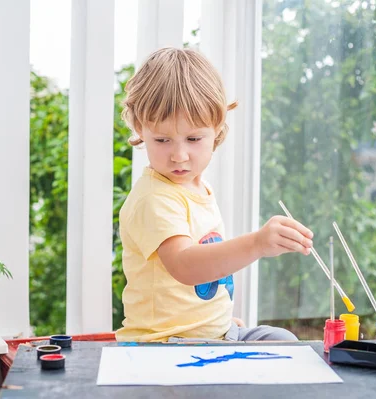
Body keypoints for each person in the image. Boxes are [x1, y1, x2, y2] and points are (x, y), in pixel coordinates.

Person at [115, 47, 314, 342]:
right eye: (162, 140)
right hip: (166, 343)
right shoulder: (154, 199)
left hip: (209, 333)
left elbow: (205, 268)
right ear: (139, 129)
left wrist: (214, 317)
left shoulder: (196, 186)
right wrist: (257, 243)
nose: (179, 156)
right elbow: (185, 265)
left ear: (217, 127)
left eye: (193, 139)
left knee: (284, 341)